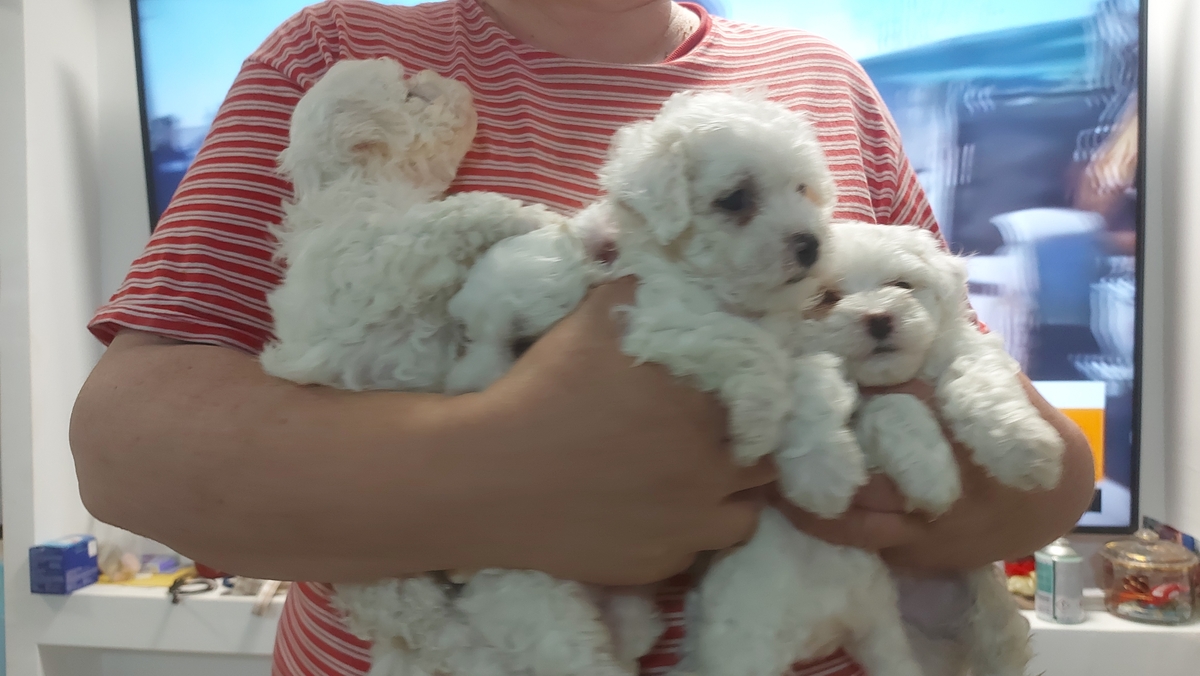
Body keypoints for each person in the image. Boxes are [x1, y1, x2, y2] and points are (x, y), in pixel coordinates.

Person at [69, 1, 1097, 675]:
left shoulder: (825, 80)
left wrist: (822, 464)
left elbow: (1035, 469)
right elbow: (127, 450)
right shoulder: (346, 61)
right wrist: (510, 469)